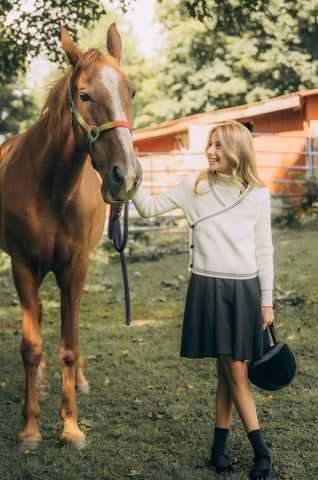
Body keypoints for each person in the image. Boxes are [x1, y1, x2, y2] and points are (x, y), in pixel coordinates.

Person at [133, 120, 274, 479]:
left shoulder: (257, 193)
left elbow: (264, 249)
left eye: (220, 146)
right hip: (209, 287)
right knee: (234, 369)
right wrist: (130, 179)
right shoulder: (193, 187)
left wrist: (267, 301)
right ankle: (261, 454)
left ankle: (219, 450)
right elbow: (148, 208)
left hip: (244, 290)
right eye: (210, 144)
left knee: (229, 373)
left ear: (237, 151)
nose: (211, 151)